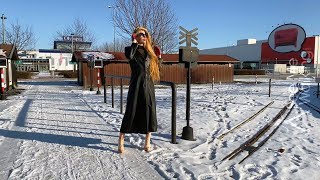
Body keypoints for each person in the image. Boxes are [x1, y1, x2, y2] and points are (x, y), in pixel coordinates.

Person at [118, 27, 161, 153]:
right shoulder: (130, 49)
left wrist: (159, 57)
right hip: (136, 85)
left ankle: (147, 142)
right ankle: (121, 140)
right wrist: (134, 44)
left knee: (149, 112)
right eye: (141, 34)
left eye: (145, 34)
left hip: (148, 86)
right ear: (135, 36)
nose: (144, 36)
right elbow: (130, 56)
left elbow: (156, 71)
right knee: (131, 112)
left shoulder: (150, 52)